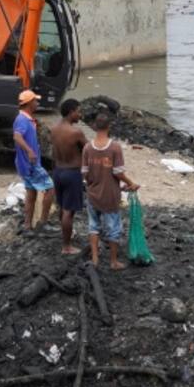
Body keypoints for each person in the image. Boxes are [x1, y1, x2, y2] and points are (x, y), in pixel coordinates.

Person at [81, 111, 139, 269]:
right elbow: (118, 173)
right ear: (109, 126)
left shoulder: (87, 147)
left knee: (93, 226)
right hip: (110, 196)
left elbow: (85, 173)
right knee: (113, 229)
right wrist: (131, 183)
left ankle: (95, 259)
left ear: (94, 126)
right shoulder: (115, 147)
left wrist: (93, 183)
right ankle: (113, 262)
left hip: (93, 194)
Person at [50, 98, 88, 255]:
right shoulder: (76, 132)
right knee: (69, 211)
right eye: (78, 111)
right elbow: (88, 149)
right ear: (71, 112)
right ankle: (66, 246)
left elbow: (54, 152)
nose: (80, 115)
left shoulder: (54, 129)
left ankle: (66, 235)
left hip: (58, 171)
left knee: (62, 206)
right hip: (72, 173)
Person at [13, 89, 54, 232]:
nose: (37, 103)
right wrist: (30, 151)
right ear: (29, 103)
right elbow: (17, 136)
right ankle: (43, 222)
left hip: (25, 164)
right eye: (35, 101)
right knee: (50, 188)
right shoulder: (22, 120)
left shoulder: (25, 118)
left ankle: (27, 226)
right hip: (30, 164)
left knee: (31, 193)